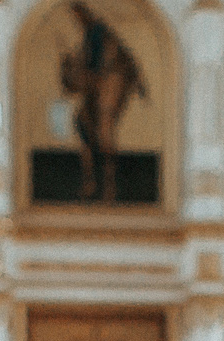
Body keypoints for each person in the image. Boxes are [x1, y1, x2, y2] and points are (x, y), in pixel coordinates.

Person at [59, 0, 144, 204]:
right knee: (84, 124)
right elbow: (83, 72)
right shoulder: (90, 37)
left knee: (104, 134)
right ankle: (92, 183)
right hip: (96, 96)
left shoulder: (100, 35)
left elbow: (105, 65)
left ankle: (108, 187)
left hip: (105, 91)